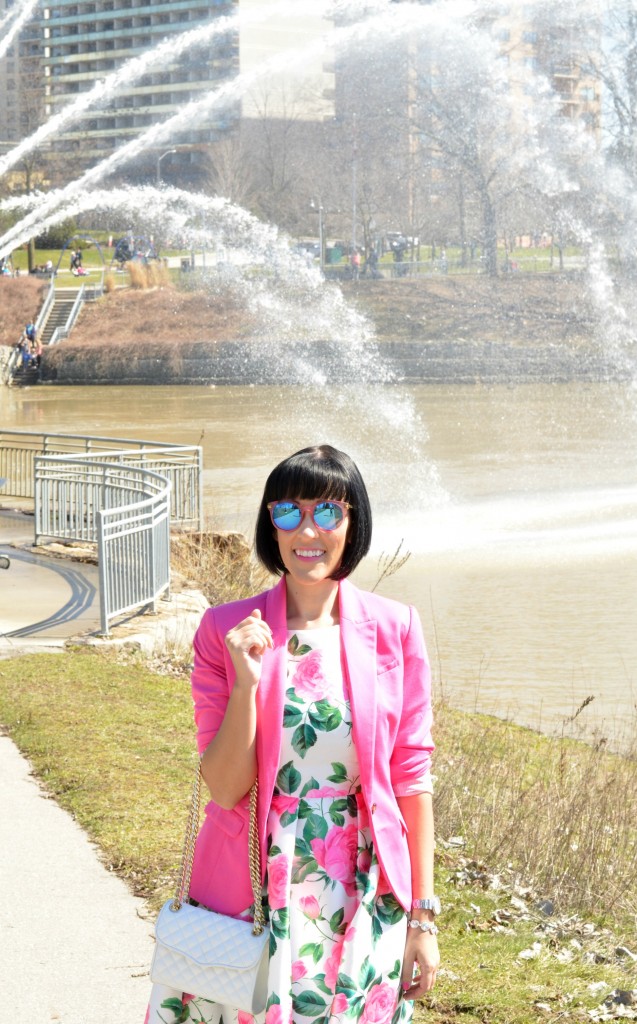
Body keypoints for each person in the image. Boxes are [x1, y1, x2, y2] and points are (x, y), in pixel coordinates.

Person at [146, 444, 439, 1024]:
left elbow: (411, 776)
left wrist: (423, 917)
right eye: (289, 513)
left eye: (328, 512)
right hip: (255, 879)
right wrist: (243, 687)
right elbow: (226, 788)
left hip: (364, 884)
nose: (308, 530)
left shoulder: (395, 628)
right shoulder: (225, 630)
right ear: (270, 525)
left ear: (353, 522)